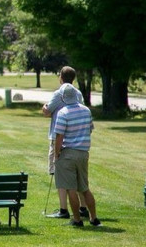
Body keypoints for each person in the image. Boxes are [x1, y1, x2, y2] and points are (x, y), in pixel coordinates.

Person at [42, 66, 89, 219]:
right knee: (79, 177)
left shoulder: (59, 93)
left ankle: (63, 209)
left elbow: (48, 111)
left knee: (59, 173)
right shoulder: (78, 93)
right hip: (77, 139)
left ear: (61, 77)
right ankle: (83, 208)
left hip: (59, 136)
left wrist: (44, 108)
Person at [53, 83, 102, 227]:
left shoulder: (63, 113)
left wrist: (57, 154)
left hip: (68, 153)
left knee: (70, 189)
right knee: (84, 188)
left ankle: (77, 219)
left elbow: (59, 137)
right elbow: (90, 129)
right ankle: (93, 218)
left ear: (63, 98)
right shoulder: (86, 110)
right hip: (83, 153)